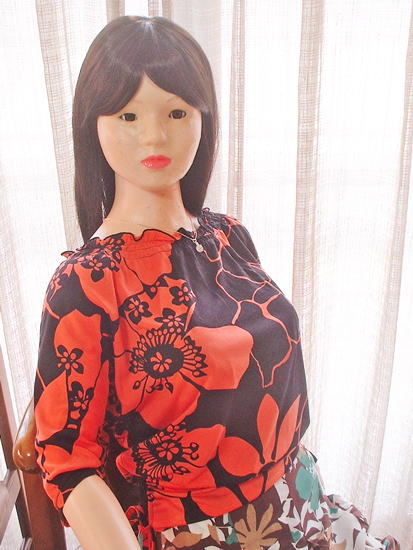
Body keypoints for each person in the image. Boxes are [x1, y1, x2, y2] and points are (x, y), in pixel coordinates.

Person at [33, 15, 400, 550]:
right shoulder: (85, 285)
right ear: (94, 125)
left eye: (176, 112)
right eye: (128, 114)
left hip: (301, 500)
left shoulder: (227, 235)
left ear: (204, 119)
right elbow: (70, 463)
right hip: (201, 534)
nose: (154, 134)